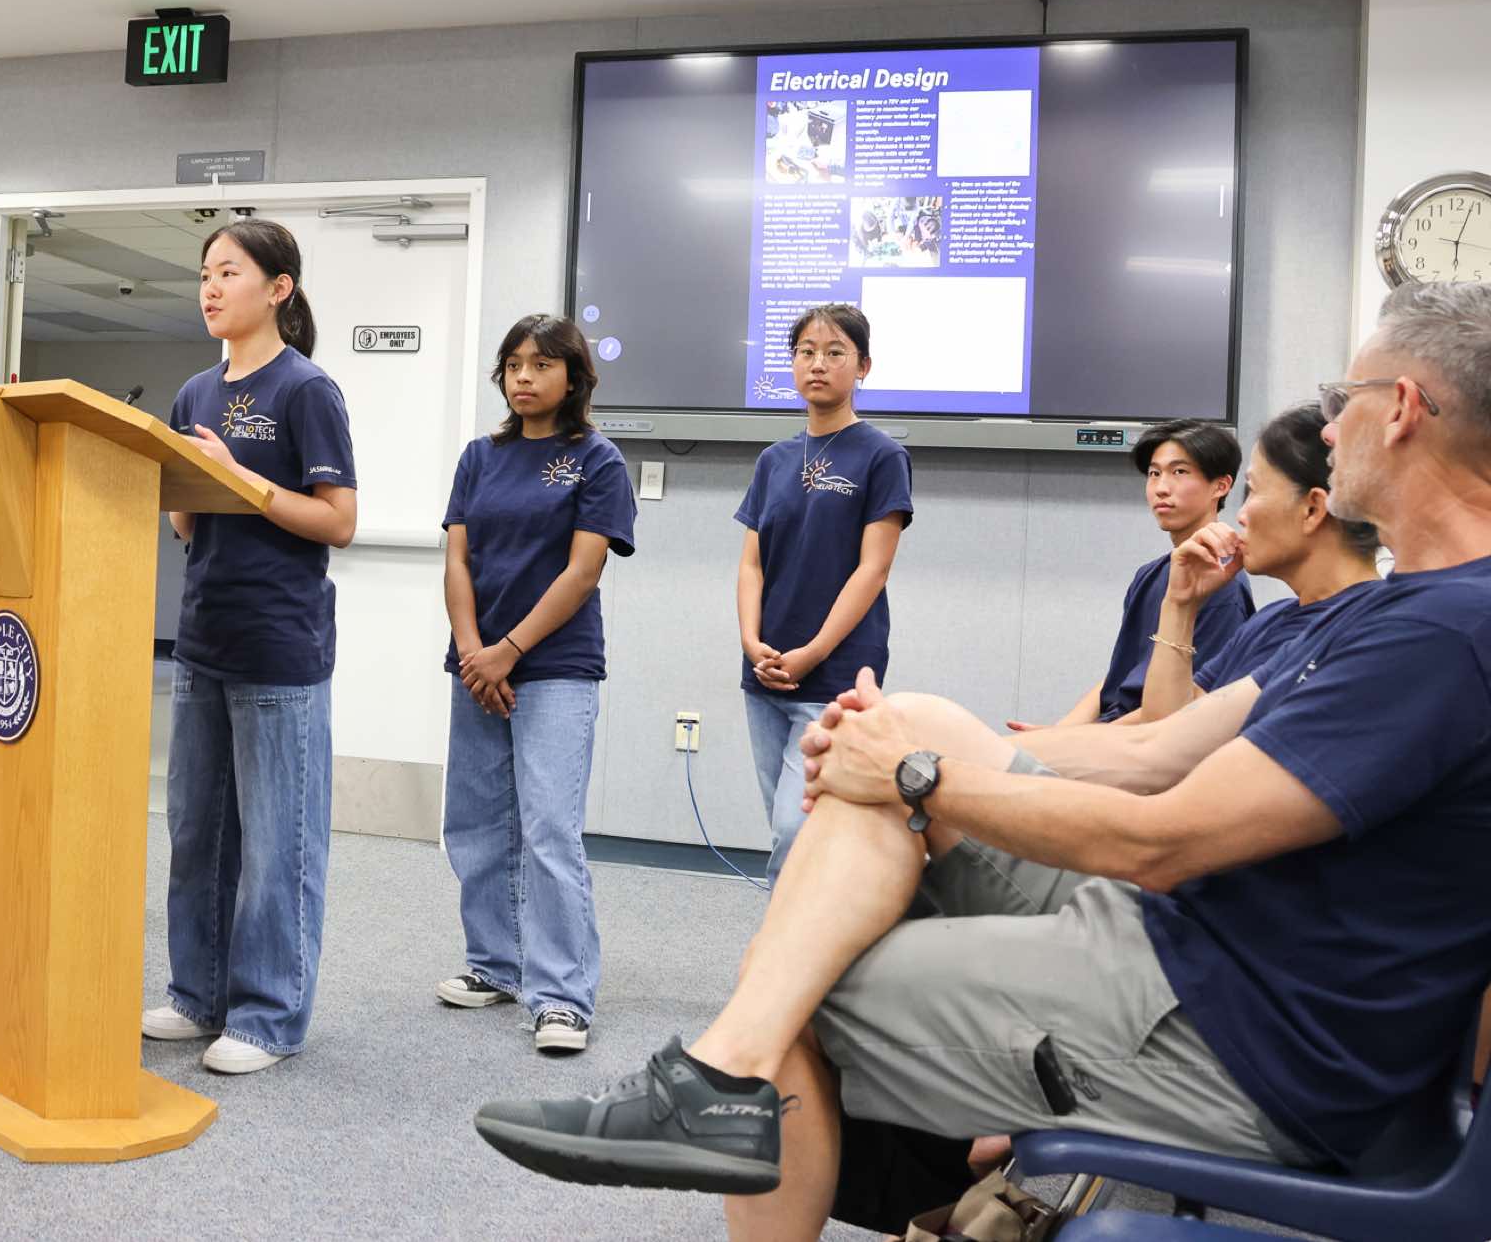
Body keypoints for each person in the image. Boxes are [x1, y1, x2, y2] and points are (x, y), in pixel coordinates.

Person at [472, 281, 1491, 1242]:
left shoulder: (1440, 633)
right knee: (904, 723)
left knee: (791, 992)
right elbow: (1155, 748)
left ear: (1403, 409)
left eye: (1346, 399)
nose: (1329, 427)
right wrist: (901, 741)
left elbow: (1163, 839)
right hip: (1195, 944)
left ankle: (722, 1070)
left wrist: (918, 776)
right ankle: (727, 1066)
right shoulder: (1385, 612)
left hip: (1236, 1028)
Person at [141, 218, 357, 1075]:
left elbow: (337, 520)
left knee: (277, 847)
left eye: (229, 272)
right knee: (197, 835)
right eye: (205, 273)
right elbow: (187, 525)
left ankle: (269, 1016)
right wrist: (177, 483)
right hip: (203, 641)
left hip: (279, 646)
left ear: (278, 288)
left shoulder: (307, 389)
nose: (210, 287)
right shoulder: (194, 392)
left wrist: (243, 479)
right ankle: (198, 994)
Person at [435, 313, 637, 1054]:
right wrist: (473, 652)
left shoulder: (597, 460)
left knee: (549, 830)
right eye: (515, 364)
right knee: (476, 823)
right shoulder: (479, 457)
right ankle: (495, 963)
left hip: (554, 667)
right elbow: (457, 560)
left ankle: (562, 997)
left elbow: (582, 572)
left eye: (542, 364)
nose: (524, 376)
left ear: (573, 377)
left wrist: (509, 651)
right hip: (477, 664)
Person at [737, 303, 911, 883]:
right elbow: (751, 565)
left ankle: (788, 939)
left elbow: (873, 570)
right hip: (765, 671)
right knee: (789, 830)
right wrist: (751, 641)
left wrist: (811, 653)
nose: (818, 364)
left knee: (798, 829)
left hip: (834, 672)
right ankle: (806, 933)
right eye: (806, 352)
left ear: (863, 367)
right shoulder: (774, 460)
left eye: (835, 352)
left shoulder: (882, 455)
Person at [1137, 402, 1381, 722]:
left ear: (1312, 509)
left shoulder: (1366, 631)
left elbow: (1166, 742)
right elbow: (1163, 729)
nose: (1240, 515)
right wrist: (1180, 604)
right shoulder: (1270, 620)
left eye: (1253, 491)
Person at [1037, 418, 1254, 727]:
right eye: (1154, 474)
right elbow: (1121, 675)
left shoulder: (1221, 584)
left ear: (1221, 486)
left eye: (1179, 472)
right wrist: (1062, 732)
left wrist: (1078, 742)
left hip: (1154, 740)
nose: (1161, 488)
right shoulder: (1149, 575)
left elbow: (1186, 708)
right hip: (1112, 732)